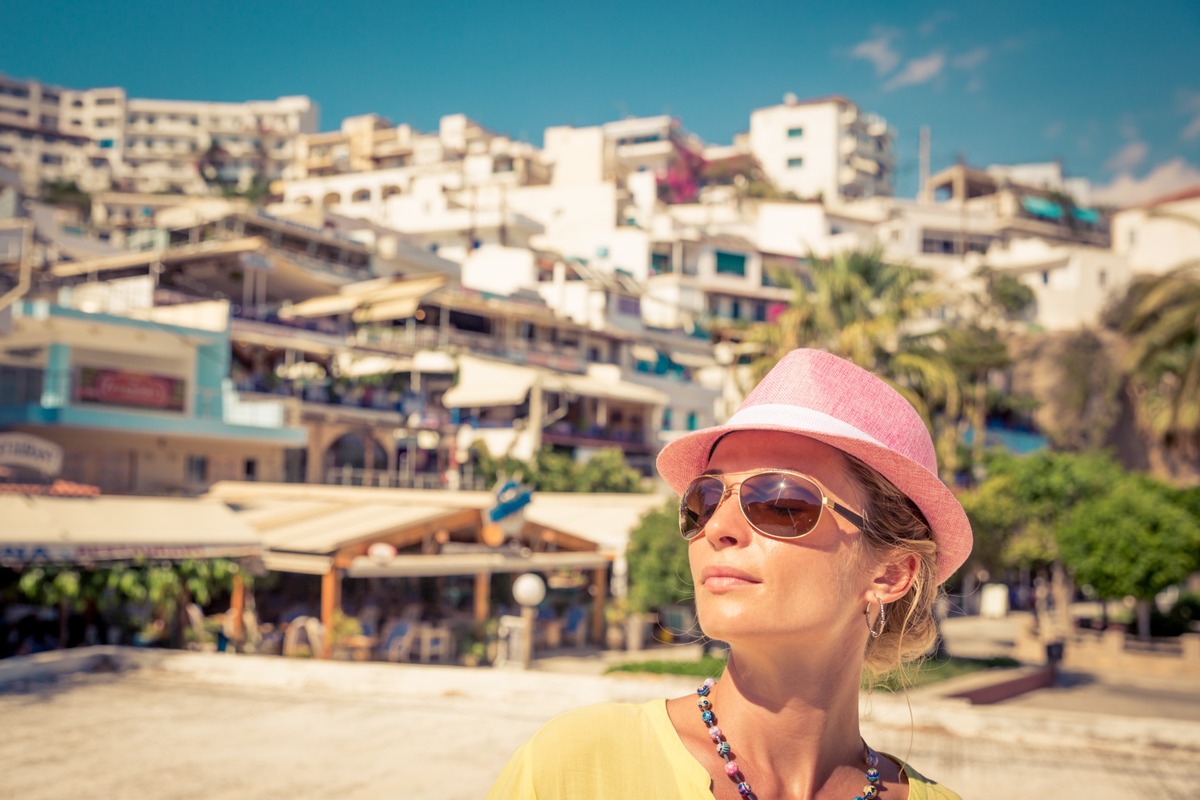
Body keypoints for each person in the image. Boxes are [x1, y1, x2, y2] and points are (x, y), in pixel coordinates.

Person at [487, 349, 971, 799]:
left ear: (890, 573)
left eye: (781, 503)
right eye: (705, 499)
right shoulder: (575, 768)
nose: (717, 527)